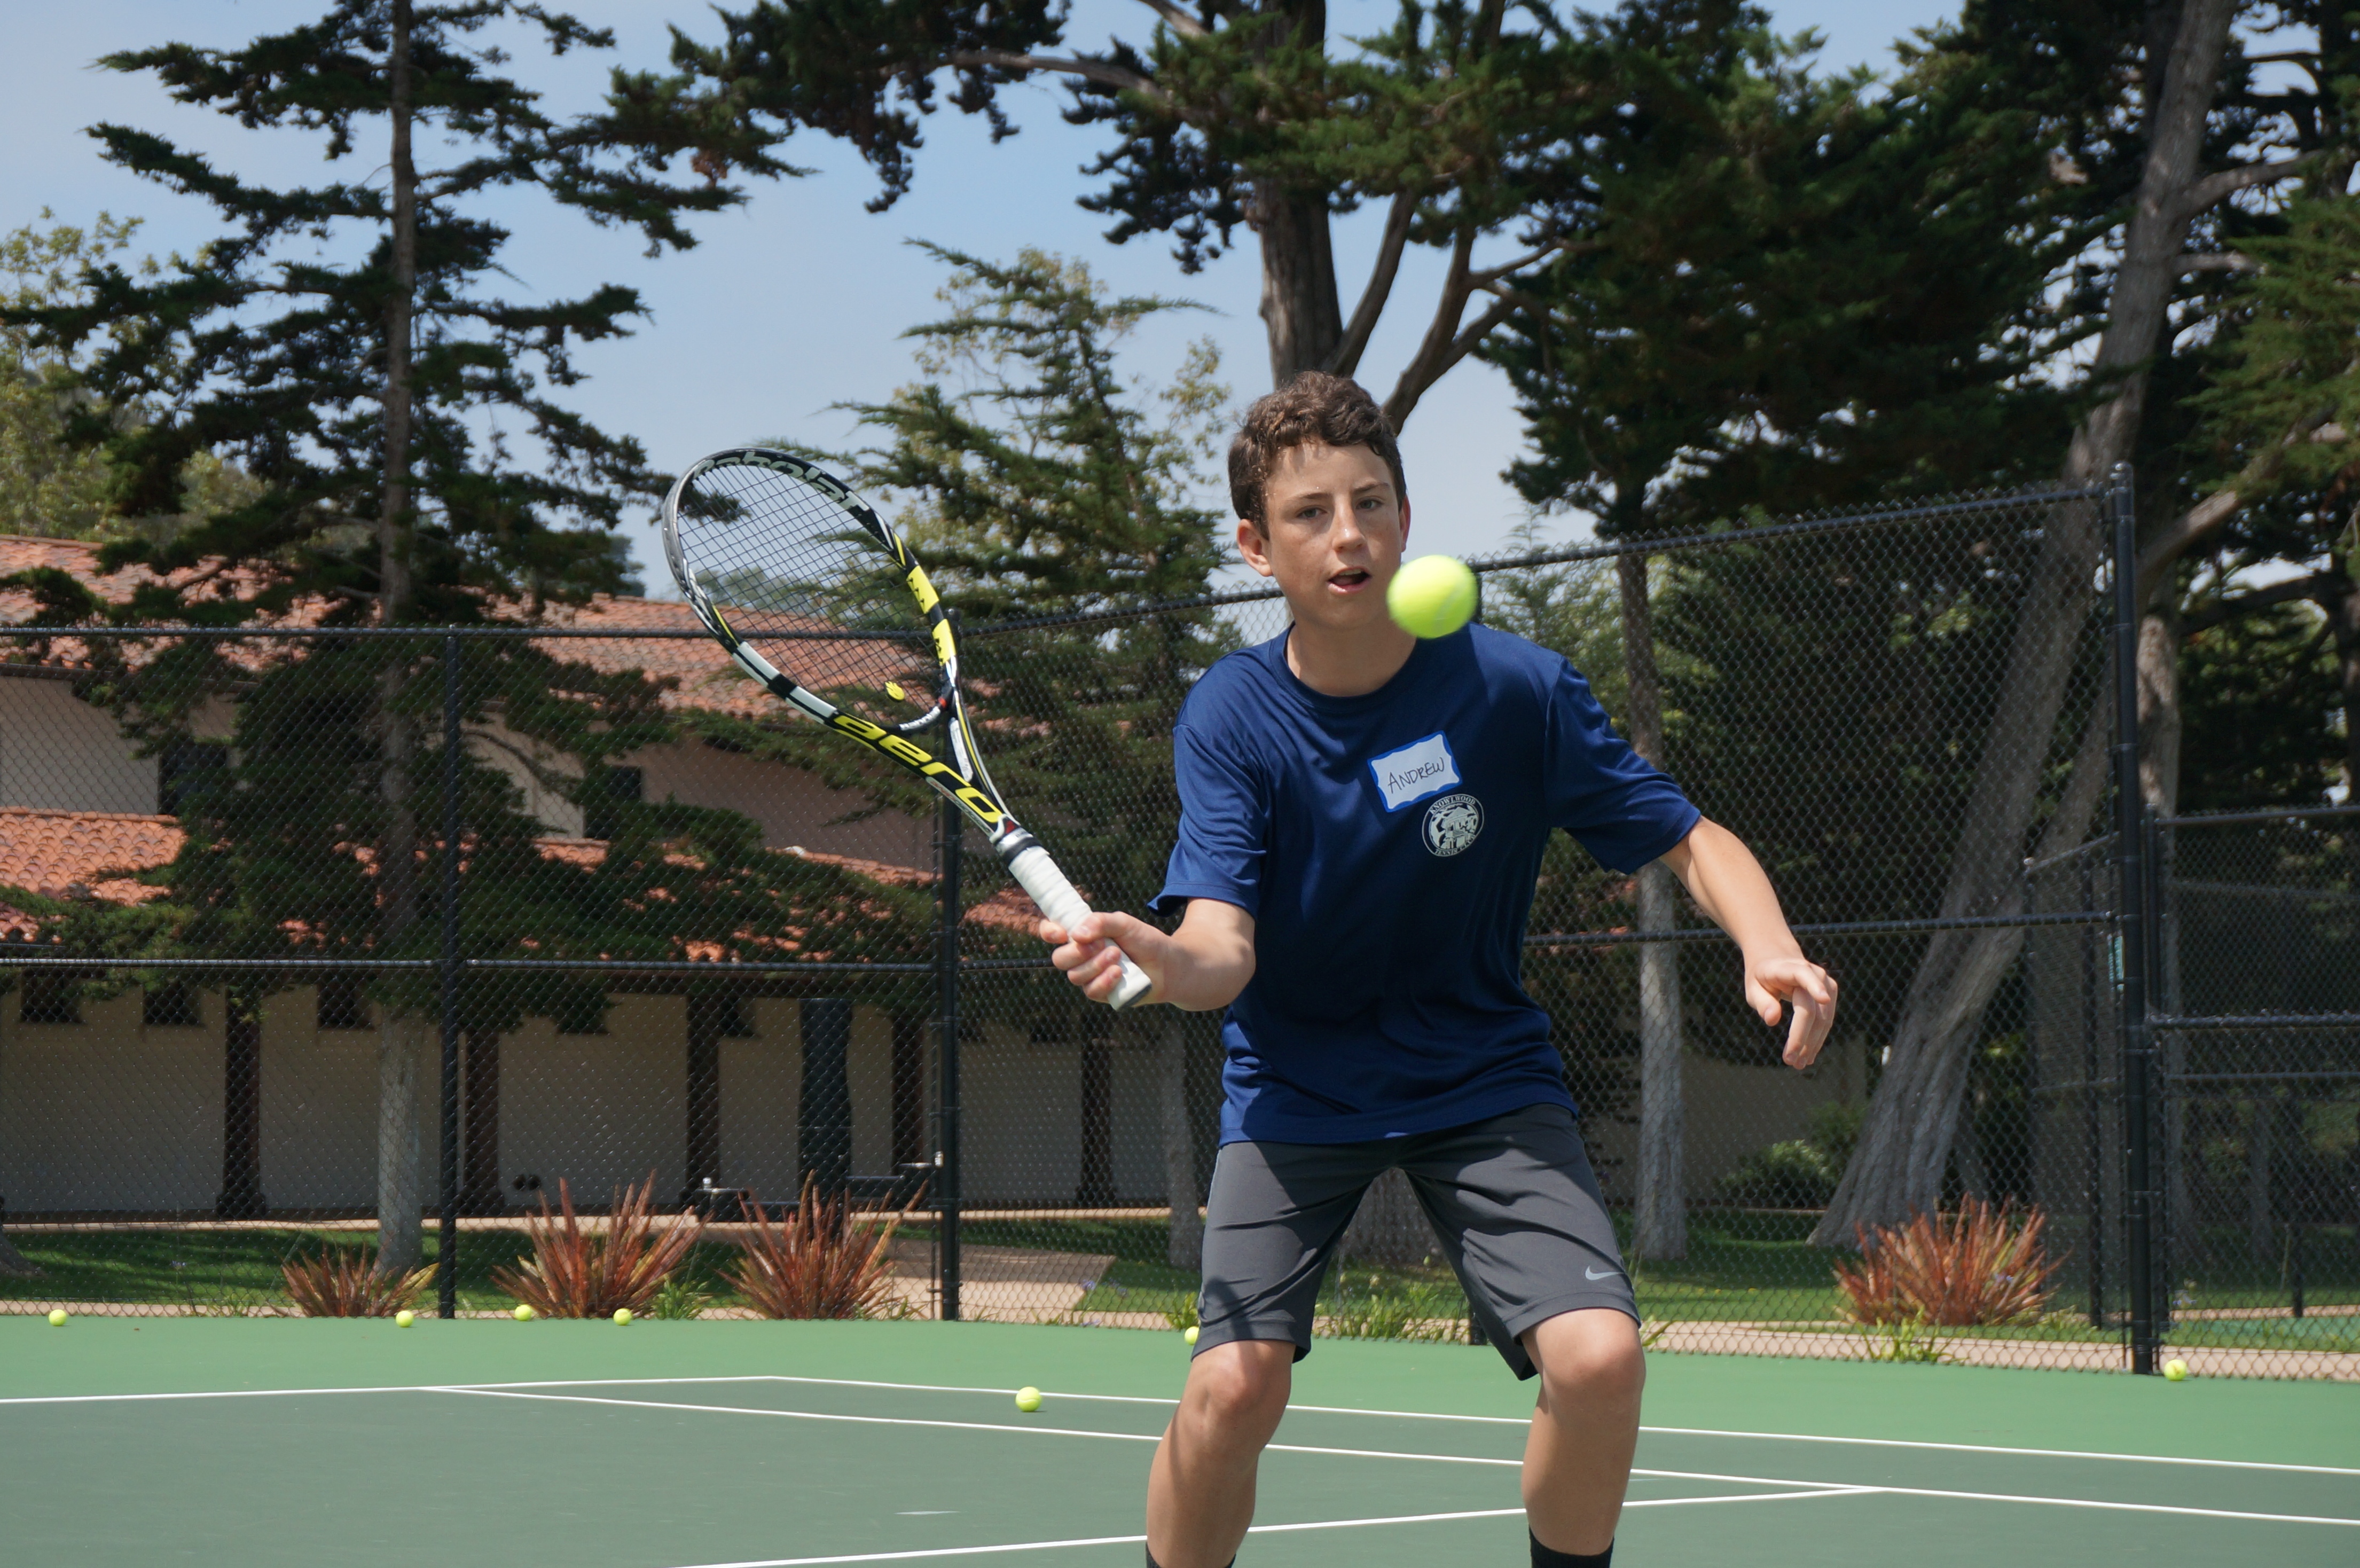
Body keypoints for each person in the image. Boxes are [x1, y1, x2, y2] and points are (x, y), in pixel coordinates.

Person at [1041, 372, 1837, 1568]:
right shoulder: (1231, 714)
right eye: (1309, 513)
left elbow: (1684, 834)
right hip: (1298, 1087)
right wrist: (1159, 958)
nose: (1347, 532)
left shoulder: (1508, 689)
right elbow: (1222, 948)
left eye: (1370, 502)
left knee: (1600, 1358)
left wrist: (1766, 944)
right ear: (1257, 548)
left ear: (1406, 522)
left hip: (1481, 1077)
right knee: (1232, 1391)